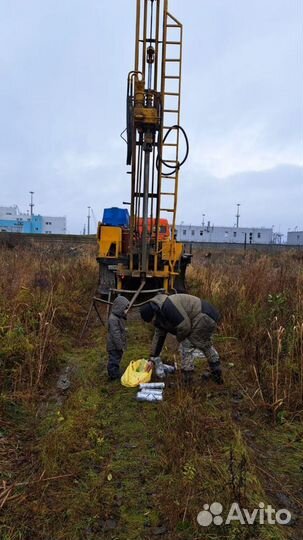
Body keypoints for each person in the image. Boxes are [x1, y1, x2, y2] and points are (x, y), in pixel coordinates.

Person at [140, 293, 223, 384]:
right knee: (205, 344)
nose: (152, 323)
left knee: (187, 345)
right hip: (206, 315)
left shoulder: (168, 307)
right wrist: (153, 357)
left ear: (154, 314)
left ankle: (188, 379)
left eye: (152, 320)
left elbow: (184, 327)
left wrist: (178, 340)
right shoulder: (160, 311)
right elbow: (159, 336)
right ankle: (216, 373)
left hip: (204, 316)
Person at [107, 295, 129, 380]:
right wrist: (120, 346)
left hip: (117, 344)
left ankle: (115, 372)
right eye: (125, 308)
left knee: (117, 358)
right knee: (114, 360)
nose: (126, 311)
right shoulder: (113, 319)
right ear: (119, 308)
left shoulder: (119, 317)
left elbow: (120, 329)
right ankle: (113, 376)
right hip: (114, 345)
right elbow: (115, 334)